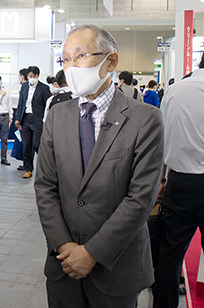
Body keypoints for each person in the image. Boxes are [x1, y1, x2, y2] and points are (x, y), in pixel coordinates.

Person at [34, 24, 163, 308]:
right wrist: (64, 245)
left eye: (80, 56)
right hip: (62, 265)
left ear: (111, 61)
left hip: (116, 268)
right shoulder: (58, 116)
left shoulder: (145, 119)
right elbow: (45, 185)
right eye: (65, 59)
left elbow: (141, 197)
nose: (71, 67)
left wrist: (91, 253)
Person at [152, 65, 204, 308]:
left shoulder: (175, 90)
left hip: (180, 182)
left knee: (169, 255)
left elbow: (163, 139)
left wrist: (161, 180)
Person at [14, 66, 51, 179]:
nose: (31, 78)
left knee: (36, 144)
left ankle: (45, 168)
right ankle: (28, 169)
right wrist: (18, 119)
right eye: (30, 76)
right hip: (26, 119)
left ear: (37, 76)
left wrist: (46, 120)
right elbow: (21, 103)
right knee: (26, 145)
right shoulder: (24, 86)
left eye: (34, 76)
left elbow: (48, 104)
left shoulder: (44, 88)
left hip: (37, 120)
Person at [12, 68, 28, 163]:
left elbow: (21, 105)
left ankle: (27, 165)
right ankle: (26, 164)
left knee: (26, 143)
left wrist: (19, 120)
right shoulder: (24, 87)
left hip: (25, 119)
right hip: (24, 119)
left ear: (22, 77)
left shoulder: (25, 88)